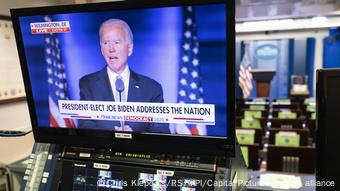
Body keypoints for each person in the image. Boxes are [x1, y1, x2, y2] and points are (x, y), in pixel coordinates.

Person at [78, 18, 170, 133]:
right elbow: (85, 127)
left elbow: (161, 131)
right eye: (106, 43)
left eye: (117, 42)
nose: (111, 49)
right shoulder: (88, 84)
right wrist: (112, 137)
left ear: (129, 49)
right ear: (102, 50)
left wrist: (135, 138)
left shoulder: (152, 88)